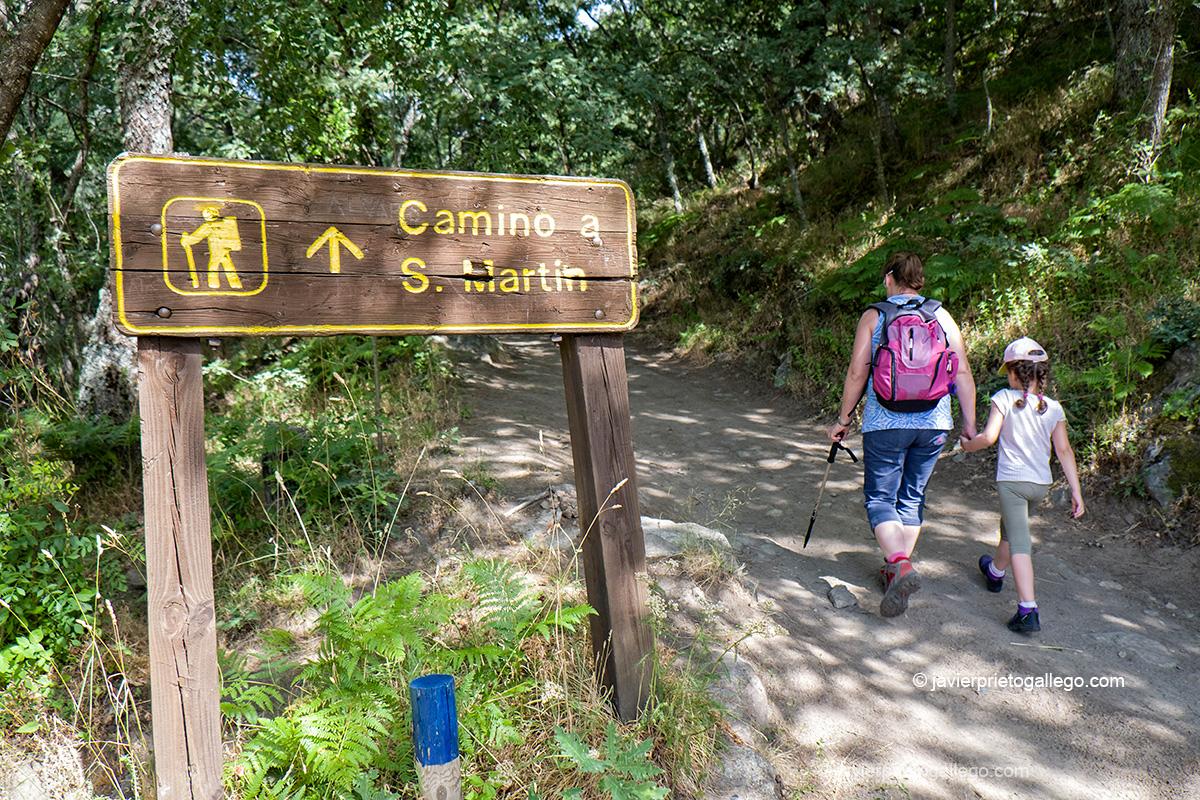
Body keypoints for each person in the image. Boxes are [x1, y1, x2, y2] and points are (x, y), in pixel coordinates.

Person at [827, 252, 977, 617]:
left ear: (889, 279)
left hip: (885, 422)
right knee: (912, 498)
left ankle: (900, 564)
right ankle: (895, 570)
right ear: (919, 279)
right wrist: (970, 424)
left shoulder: (875, 315)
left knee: (880, 497)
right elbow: (962, 373)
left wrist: (844, 418)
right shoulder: (941, 315)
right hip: (934, 422)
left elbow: (857, 373)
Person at [958, 337, 1085, 633]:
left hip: (1012, 481)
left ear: (1015, 372)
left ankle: (1028, 609)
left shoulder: (1004, 398)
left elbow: (988, 438)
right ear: (1042, 374)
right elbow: (1064, 451)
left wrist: (967, 445)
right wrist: (1076, 490)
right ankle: (994, 571)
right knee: (1011, 529)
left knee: (1020, 541)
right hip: (1040, 484)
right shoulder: (1053, 408)